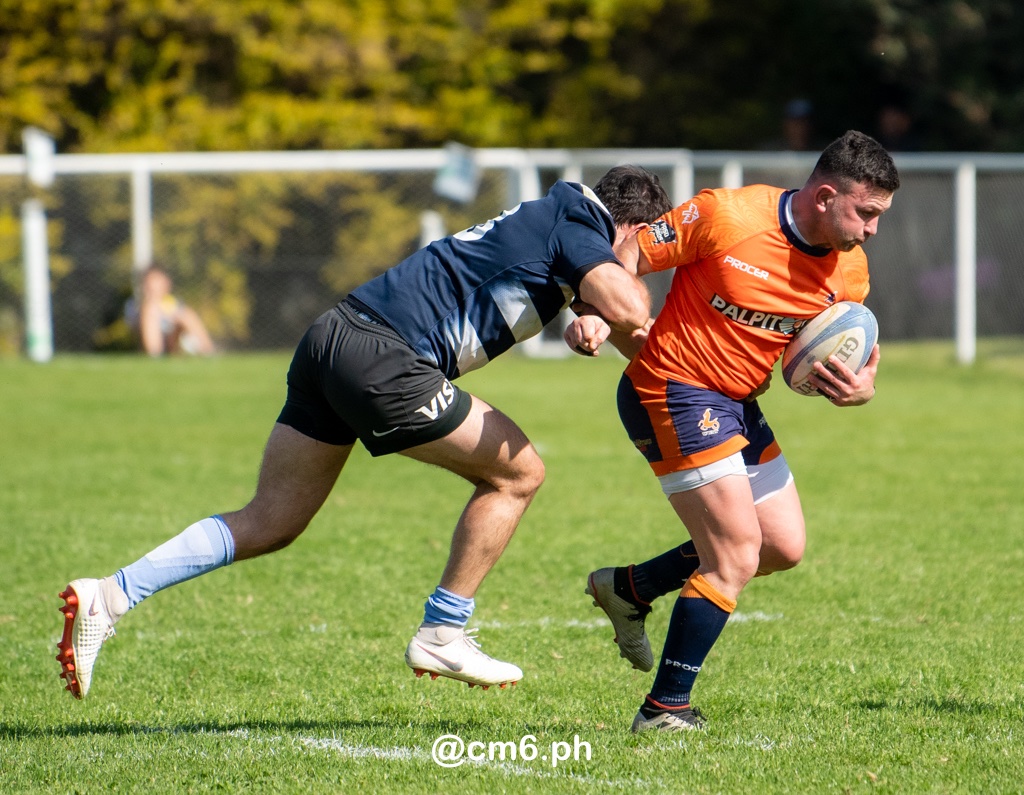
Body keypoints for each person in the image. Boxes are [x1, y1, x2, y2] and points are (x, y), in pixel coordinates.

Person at [55, 165, 673, 699]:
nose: (647, 263)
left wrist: (612, 327)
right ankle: (443, 632)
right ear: (632, 230)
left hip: (336, 333)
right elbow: (628, 306)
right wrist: (610, 304)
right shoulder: (579, 227)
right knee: (518, 472)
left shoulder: (559, 221)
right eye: (649, 250)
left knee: (273, 519)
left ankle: (109, 597)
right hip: (386, 356)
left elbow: (624, 327)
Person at [566, 131, 899, 733]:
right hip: (671, 386)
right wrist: (594, 311)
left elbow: (853, 353)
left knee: (780, 547)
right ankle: (664, 711)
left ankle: (631, 588)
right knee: (735, 553)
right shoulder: (727, 215)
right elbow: (632, 254)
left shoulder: (850, 271)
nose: (873, 229)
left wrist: (862, 388)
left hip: (736, 402)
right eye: (867, 213)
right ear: (825, 196)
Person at [126, 265, 216, 356]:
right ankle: (155, 356)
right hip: (146, 345)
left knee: (186, 314)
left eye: (158, 281)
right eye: (152, 282)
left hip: (172, 344)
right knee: (151, 309)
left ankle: (208, 352)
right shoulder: (137, 305)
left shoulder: (173, 304)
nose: (155, 286)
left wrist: (175, 318)